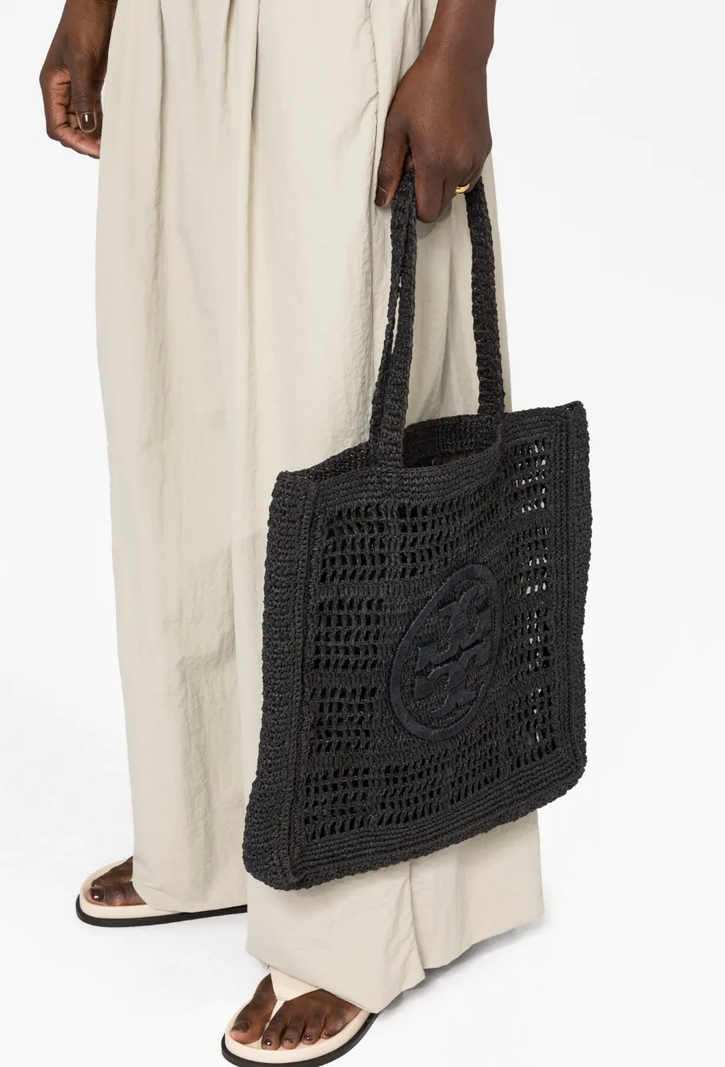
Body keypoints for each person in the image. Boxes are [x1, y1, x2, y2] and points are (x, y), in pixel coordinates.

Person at [40, 0, 543, 1060]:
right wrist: (89, 13)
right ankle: (208, 831)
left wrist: (464, 43)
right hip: (171, 33)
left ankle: (354, 908)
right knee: (175, 425)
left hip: (341, 38)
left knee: (336, 451)